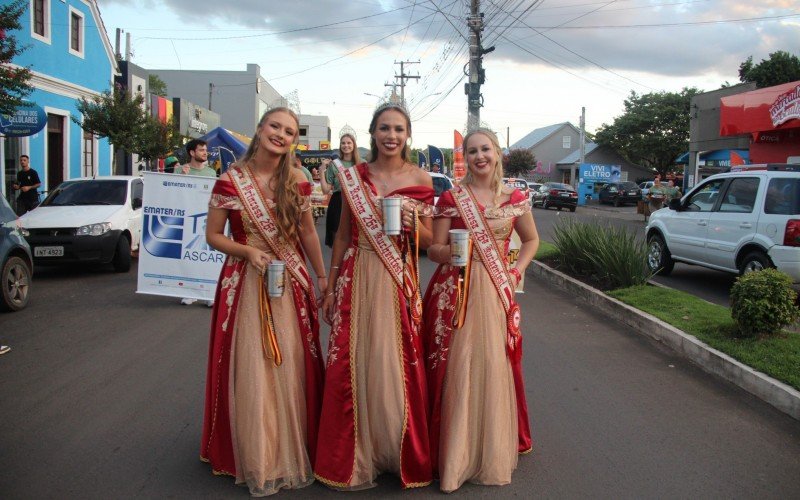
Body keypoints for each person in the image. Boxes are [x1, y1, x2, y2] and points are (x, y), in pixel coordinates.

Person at [200, 107, 327, 496]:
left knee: (289, 360)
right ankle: (257, 450)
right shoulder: (230, 181)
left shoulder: (298, 181)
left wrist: (321, 277)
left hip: (287, 281)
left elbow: (307, 234)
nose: (281, 135)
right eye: (275, 126)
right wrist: (246, 252)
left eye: (289, 131)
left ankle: (290, 443)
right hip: (245, 281)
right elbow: (213, 236)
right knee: (252, 364)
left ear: (293, 141)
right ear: (259, 128)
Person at [315, 104, 434, 490]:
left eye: (399, 129)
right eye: (384, 128)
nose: (391, 136)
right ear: (373, 132)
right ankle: (355, 451)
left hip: (398, 276)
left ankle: (394, 450)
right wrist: (331, 285)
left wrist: (410, 221)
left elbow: (431, 241)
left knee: (395, 363)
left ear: (408, 134)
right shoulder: (353, 177)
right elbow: (345, 236)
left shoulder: (421, 178)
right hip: (358, 274)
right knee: (356, 361)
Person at [423, 129, 538, 493]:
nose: (479, 156)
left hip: (494, 293)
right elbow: (433, 249)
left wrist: (517, 270)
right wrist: (453, 253)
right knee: (456, 366)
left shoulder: (515, 198)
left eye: (485, 149)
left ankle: (488, 446)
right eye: (472, 151)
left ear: (497, 152)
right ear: (466, 158)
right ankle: (454, 455)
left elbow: (532, 240)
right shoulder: (451, 197)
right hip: (455, 290)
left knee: (491, 365)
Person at [175, 141, 217, 306]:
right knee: (189, 257)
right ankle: (189, 292)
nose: (205, 153)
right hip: (187, 220)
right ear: (192, 153)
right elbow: (174, 194)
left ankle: (208, 294)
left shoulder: (211, 173)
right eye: (201, 150)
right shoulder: (180, 170)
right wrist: (182, 178)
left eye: (206, 150)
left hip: (207, 219)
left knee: (207, 256)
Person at [319, 133, 361, 247]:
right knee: (337, 238)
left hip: (357, 202)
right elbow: (325, 190)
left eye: (349, 143)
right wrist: (322, 170)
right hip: (338, 202)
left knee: (356, 239)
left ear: (354, 145)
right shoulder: (334, 165)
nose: (346, 145)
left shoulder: (362, 164)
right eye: (343, 143)